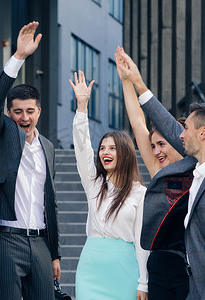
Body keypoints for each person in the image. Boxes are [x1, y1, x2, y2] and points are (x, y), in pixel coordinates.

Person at [117, 49, 205, 299]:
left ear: (203, 133)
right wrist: (137, 82)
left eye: (186, 128)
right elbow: (167, 125)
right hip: (195, 285)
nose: (180, 134)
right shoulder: (199, 162)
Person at [0, 21, 61, 300]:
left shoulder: (48, 147)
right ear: (9, 113)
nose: (24, 118)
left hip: (40, 243)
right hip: (5, 240)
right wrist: (18, 57)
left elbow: (49, 202)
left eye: (30, 111)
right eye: (17, 112)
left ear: (39, 111)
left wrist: (54, 253)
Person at [115, 46, 192, 299]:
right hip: (158, 265)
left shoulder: (196, 168)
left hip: (187, 268)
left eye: (162, 144)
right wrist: (126, 80)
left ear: (179, 141)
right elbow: (137, 122)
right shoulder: (158, 171)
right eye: (152, 146)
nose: (157, 151)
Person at [70, 70, 149, 300]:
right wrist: (82, 108)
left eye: (112, 148)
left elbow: (142, 242)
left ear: (124, 153)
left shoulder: (139, 193)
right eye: (103, 147)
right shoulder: (94, 184)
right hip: (91, 267)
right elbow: (83, 148)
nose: (105, 152)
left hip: (125, 268)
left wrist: (143, 282)